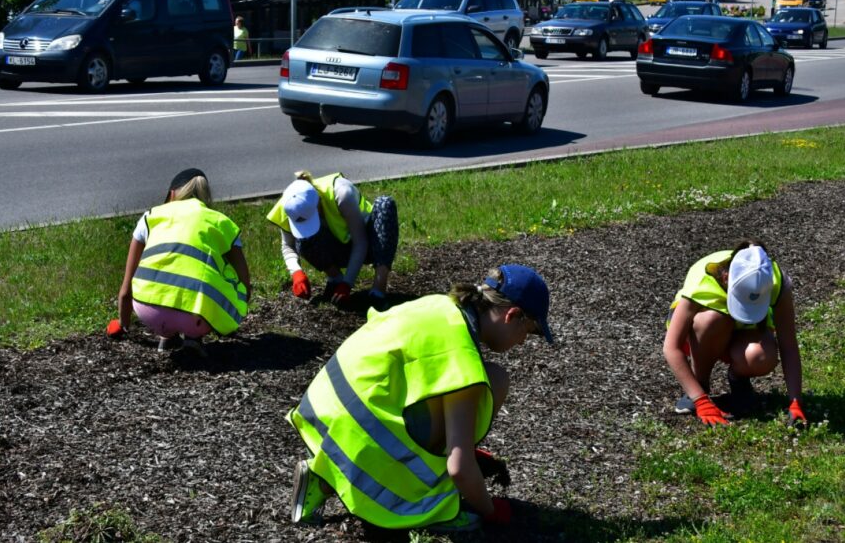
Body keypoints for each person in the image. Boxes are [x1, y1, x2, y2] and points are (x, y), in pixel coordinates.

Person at [287, 264, 553, 532]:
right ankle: (435, 507)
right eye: (528, 332)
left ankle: (323, 473)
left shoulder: (440, 306)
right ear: (512, 315)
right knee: (491, 383)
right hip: (358, 440)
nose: (522, 343)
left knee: (491, 377)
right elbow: (459, 468)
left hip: (324, 411)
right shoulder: (460, 353)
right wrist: (491, 511)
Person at [107, 168, 251, 353]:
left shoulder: (150, 217)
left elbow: (126, 290)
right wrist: (231, 315)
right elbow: (245, 283)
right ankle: (193, 336)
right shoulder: (222, 223)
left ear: (172, 193)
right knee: (222, 275)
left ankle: (166, 334)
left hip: (148, 311)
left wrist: (123, 325)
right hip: (195, 317)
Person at [663, 240, 806, 427]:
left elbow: (788, 345)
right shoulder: (703, 282)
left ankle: (739, 380)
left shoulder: (774, 280)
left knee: (761, 356)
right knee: (711, 320)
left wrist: (795, 402)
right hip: (703, 335)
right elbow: (671, 347)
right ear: (726, 278)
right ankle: (700, 385)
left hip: (743, 332)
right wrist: (700, 400)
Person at [266, 171, 398, 309]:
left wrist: (348, 283)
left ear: (318, 202)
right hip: (339, 250)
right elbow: (288, 245)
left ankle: (378, 290)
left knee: (385, 204)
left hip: (371, 244)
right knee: (303, 239)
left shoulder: (342, 193)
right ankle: (335, 278)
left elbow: (361, 241)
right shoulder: (289, 204)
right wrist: (296, 272)